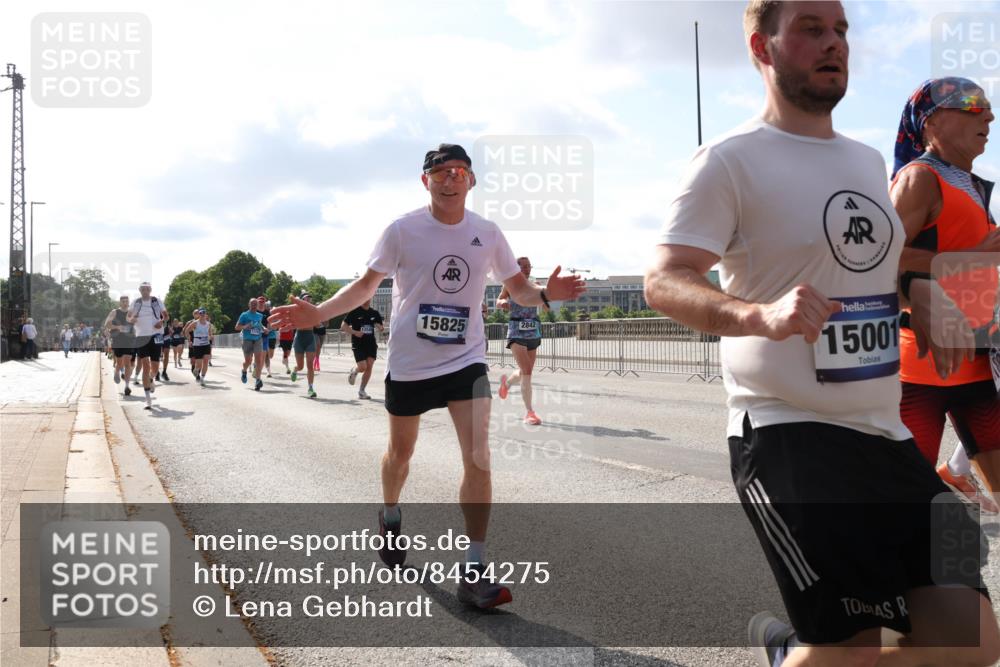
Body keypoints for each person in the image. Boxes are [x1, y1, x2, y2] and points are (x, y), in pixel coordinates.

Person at [644, 3, 1000, 666]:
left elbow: (875, 265)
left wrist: (919, 293)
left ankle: (795, 655)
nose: (833, 42)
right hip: (788, 437)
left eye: (840, 30)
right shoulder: (727, 161)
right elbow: (665, 279)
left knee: (973, 641)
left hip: (885, 436)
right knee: (852, 649)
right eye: (811, 28)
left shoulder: (867, 163)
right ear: (762, 46)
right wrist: (758, 314)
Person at [270, 142, 585, 609]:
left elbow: (515, 287)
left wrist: (544, 294)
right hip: (411, 363)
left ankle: (474, 569)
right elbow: (365, 286)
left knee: (479, 457)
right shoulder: (402, 231)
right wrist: (317, 314)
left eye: (460, 170)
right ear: (426, 181)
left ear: (471, 181)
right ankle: (391, 514)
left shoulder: (488, 232)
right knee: (401, 454)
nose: (451, 177)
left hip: (466, 361)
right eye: (440, 171)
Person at [890, 77, 1000, 514]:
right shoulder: (920, 178)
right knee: (903, 505)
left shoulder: (971, 185)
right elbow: (877, 256)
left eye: (989, 108)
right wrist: (969, 256)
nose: (989, 117)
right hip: (921, 366)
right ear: (932, 120)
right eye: (974, 106)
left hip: (976, 359)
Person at [496, 256, 549, 425]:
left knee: (526, 371)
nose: (527, 269)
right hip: (516, 330)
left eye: (529, 266)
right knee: (526, 370)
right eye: (523, 266)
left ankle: (507, 383)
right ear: (516, 268)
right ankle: (530, 412)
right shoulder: (510, 284)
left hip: (533, 331)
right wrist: (503, 302)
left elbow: (546, 308)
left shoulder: (535, 285)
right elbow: (499, 300)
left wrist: (544, 297)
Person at [127, 282, 166, 410]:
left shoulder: (156, 301)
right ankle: (148, 399)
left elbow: (166, 315)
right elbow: (128, 317)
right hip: (141, 336)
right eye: (143, 289)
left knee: (154, 368)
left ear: (150, 290)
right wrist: (132, 319)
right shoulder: (136, 302)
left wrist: (161, 321)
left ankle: (151, 378)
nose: (145, 291)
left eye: (147, 289)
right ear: (139, 290)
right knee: (145, 364)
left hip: (156, 335)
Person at [341, 298, 385, 399]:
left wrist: (380, 327)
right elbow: (343, 326)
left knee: (369, 366)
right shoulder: (354, 311)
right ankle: (355, 370)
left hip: (371, 344)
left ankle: (362, 390)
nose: (367, 300)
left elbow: (381, 327)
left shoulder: (374, 313)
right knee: (362, 367)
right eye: (365, 298)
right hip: (358, 343)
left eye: (369, 298)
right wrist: (355, 332)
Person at [104, 295, 136, 396]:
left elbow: (137, 324)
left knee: (127, 363)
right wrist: (118, 327)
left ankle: (127, 386)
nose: (125, 303)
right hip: (118, 340)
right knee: (119, 363)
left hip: (129, 340)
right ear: (120, 302)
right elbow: (107, 324)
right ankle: (117, 371)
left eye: (127, 301)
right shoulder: (115, 312)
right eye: (123, 301)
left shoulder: (132, 312)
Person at [290, 293, 318, 398]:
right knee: (301, 366)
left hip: (310, 337)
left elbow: (318, 323)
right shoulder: (297, 310)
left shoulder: (313, 310)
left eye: (310, 299)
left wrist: (318, 323)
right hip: (300, 338)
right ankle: (295, 370)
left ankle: (310, 388)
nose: (308, 300)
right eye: (306, 298)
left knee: (310, 365)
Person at [235, 297, 267, 391]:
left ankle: (258, 380)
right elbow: (237, 327)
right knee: (248, 361)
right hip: (247, 340)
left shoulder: (259, 315)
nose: (254, 306)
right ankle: (244, 371)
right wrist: (245, 326)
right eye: (252, 304)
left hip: (258, 339)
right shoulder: (244, 315)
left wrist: (264, 329)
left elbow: (259, 325)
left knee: (258, 360)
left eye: (255, 304)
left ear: (257, 305)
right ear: (249, 305)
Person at [183, 308, 213, 385]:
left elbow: (210, 333)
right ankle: (196, 369)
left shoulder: (208, 324)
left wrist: (210, 337)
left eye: (204, 314)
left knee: (206, 361)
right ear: (199, 315)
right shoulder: (195, 323)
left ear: (206, 315)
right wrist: (189, 340)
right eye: (201, 314)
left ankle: (202, 378)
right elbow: (186, 331)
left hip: (206, 344)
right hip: (197, 345)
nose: (202, 315)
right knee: (199, 364)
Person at [265, 300, 278, 377]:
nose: (267, 307)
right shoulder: (262, 314)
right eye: (266, 305)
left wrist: (273, 326)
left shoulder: (273, 315)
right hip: (265, 336)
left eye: (268, 306)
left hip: (272, 336)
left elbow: (277, 326)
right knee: (266, 355)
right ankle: (268, 371)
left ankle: (260, 361)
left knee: (271, 355)